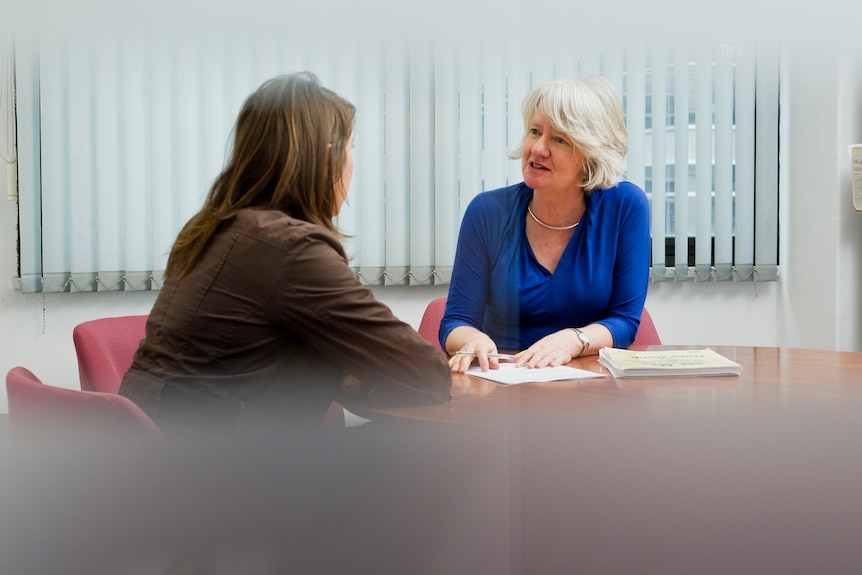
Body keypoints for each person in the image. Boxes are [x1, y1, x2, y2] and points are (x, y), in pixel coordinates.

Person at [119, 72, 452, 435]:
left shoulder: (212, 228)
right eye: (350, 147)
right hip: (221, 470)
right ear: (325, 157)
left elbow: (255, 353)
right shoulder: (291, 248)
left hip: (155, 455)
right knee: (436, 446)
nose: (351, 162)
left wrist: (340, 373)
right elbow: (426, 375)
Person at [441, 75, 650, 374]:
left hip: (591, 385)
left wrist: (573, 339)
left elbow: (625, 320)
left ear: (591, 154)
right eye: (535, 131)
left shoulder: (625, 206)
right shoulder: (487, 211)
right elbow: (455, 321)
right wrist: (472, 338)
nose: (538, 148)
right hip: (503, 386)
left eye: (559, 139)